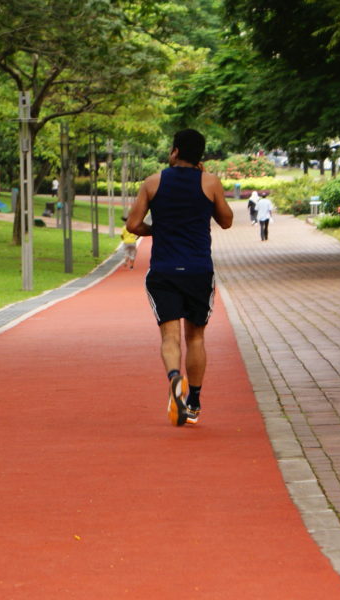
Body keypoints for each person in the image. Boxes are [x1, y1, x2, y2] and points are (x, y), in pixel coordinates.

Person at [125, 128, 234, 427]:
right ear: (200, 156)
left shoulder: (153, 182)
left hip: (164, 270)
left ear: (174, 152)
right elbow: (226, 221)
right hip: (198, 270)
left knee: (170, 337)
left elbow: (134, 224)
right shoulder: (209, 182)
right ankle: (195, 401)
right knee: (196, 336)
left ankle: (175, 378)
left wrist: (157, 230)